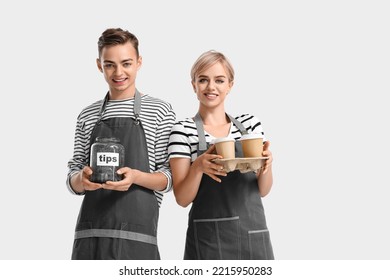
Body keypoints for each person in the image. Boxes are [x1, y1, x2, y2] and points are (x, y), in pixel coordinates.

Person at [66, 28, 176, 260]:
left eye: (126, 63)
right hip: (91, 238)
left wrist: (136, 177)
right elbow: (73, 176)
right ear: (99, 65)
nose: (118, 72)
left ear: (139, 62)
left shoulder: (159, 111)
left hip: (137, 240)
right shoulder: (87, 115)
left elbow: (169, 178)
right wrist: (82, 180)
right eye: (109, 64)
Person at [168, 50, 274, 260]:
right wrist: (198, 167)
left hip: (253, 237)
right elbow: (181, 198)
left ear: (230, 85)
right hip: (208, 242)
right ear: (193, 85)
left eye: (219, 80)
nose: (211, 87)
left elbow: (263, 190)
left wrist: (267, 163)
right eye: (203, 80)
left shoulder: (250, 126)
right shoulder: (182, 130)